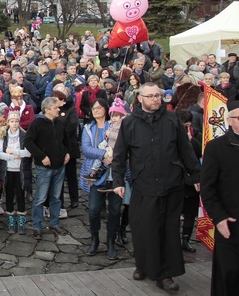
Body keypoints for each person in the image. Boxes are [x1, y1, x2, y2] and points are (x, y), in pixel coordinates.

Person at [111, 82, 201, 292]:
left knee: (168, 230)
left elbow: (185, 149)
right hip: (144, 185)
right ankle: (143, 265)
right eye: (150, 96)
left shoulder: (172, 119)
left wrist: (197, 174)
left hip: (171, 183)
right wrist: (117, 181)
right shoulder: (130, 123)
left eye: (157, 96)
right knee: (145, 229)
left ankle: (164, 274)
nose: (155, 99)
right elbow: (120, 155)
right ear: (140, 98)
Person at [200, 96, 239, 296]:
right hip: (232, 225)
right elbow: (208, 188)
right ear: (230, 120)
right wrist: (219, 217)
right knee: (231, 278)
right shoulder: (216, 147)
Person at [24, 96, 71, 240]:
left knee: (56, 198)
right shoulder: (37, 123)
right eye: (56, 107)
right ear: (47, 109)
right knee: (40, 198)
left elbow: (65, 140)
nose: (59, 109)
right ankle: (37, 226)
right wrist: (41, 156)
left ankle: (54, 223)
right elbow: (28, 142)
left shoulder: (59, 123)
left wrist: (67, 152)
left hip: (59, 166)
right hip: (44, 168)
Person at [79, 98, 121, 260]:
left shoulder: (116, 125)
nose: (96, 110)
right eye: (93, 108)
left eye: (99, 107)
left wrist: (114, 156)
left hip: (115, 173)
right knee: (94, 210)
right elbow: (86, 149)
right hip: (96, 174)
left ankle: (111, 241)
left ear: (106, 109)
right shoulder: (88, 128)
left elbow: (124, 144)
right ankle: (94, 239)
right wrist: (103, 154)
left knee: (115, 210)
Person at [0, 108, 30, 234]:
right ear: (8, 122)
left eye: (16, 121)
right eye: (12, 121)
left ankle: (21, 220)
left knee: (21, 195)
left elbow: (27, 152)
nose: (14, 123)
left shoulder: (24, 135)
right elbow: (0, 154)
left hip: (20, 170)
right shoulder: (3, 135)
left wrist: (15, 152)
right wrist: (11, 156)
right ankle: (11, 219)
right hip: (8, 169)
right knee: (9, 194)